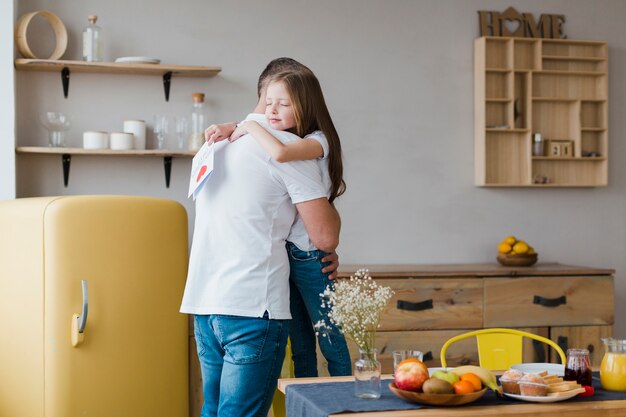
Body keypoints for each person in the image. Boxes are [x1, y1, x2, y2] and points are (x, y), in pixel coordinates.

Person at [180, 59, 340, 417]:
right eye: (274, 101)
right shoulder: (286, 150)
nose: (275, 109)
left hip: (205, 305)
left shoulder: (212, 147)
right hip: (253, 307)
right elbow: (325, 236)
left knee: (214, 410)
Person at [225, 70, 352, 377]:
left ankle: (347, 392)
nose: (270, 111)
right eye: (268, 103)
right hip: (288, 252)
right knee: (301, 343)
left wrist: (249, 127)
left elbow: (281, 153)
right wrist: (234, 127)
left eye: (282, 104)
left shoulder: (318, 141)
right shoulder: (285, 134)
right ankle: (306, 401)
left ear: (305, 106)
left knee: (330, 335)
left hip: (310, 254)